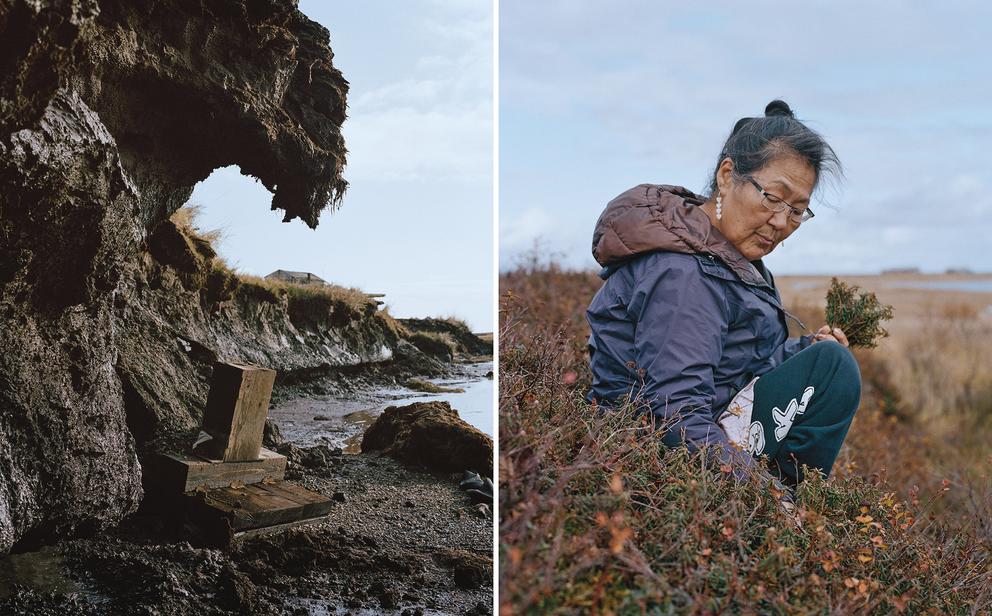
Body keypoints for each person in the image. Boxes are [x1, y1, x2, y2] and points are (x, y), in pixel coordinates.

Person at [586, 99, 861, 493]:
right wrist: (769, 500)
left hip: (700, 425)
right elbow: (675, 415)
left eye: (799, 210)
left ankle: (791, 501)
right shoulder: (684, 274)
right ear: (728, 175)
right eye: (772, 197)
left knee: (827, 362)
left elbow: (733, 366)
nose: (782, 222)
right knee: (835, 368)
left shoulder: (726, 255)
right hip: (652, 455)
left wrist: (803, 354)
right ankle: (785, 508)